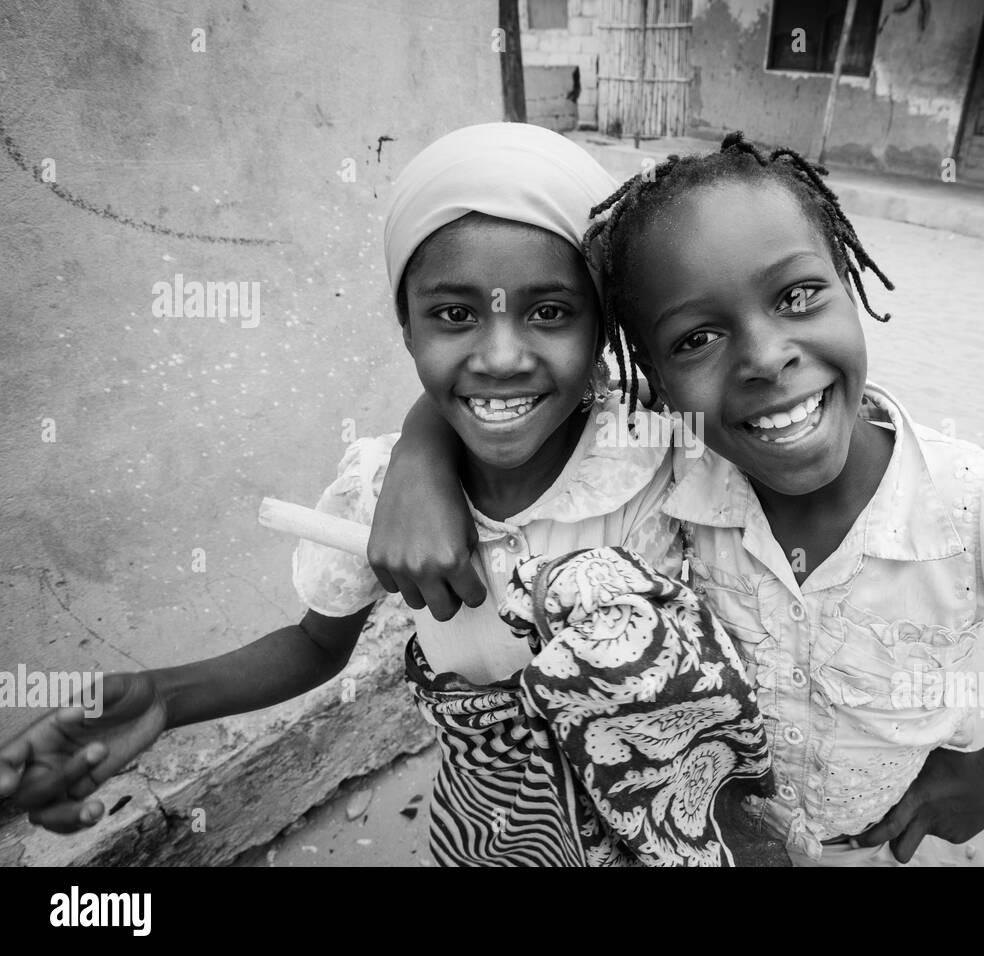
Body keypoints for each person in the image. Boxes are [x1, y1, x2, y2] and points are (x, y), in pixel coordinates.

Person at [370, 132, 984, 866]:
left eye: (796, 296)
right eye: (696, 339)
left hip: (869, 845)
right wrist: (421, 453)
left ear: (849, 281)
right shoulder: (672, 461)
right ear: (649, 376)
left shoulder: (970, 498)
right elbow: (520, 392)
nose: (765, 357)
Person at [0, 124, 702, 863]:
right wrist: (166, 698)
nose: (500, 356)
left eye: (551, 311)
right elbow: (312, 646)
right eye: (455, 314)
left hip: (655, 816)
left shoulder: (655, 451)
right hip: (492, 820)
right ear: (406, 328)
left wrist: (423, 440)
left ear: (602, 328)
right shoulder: (376, 489)